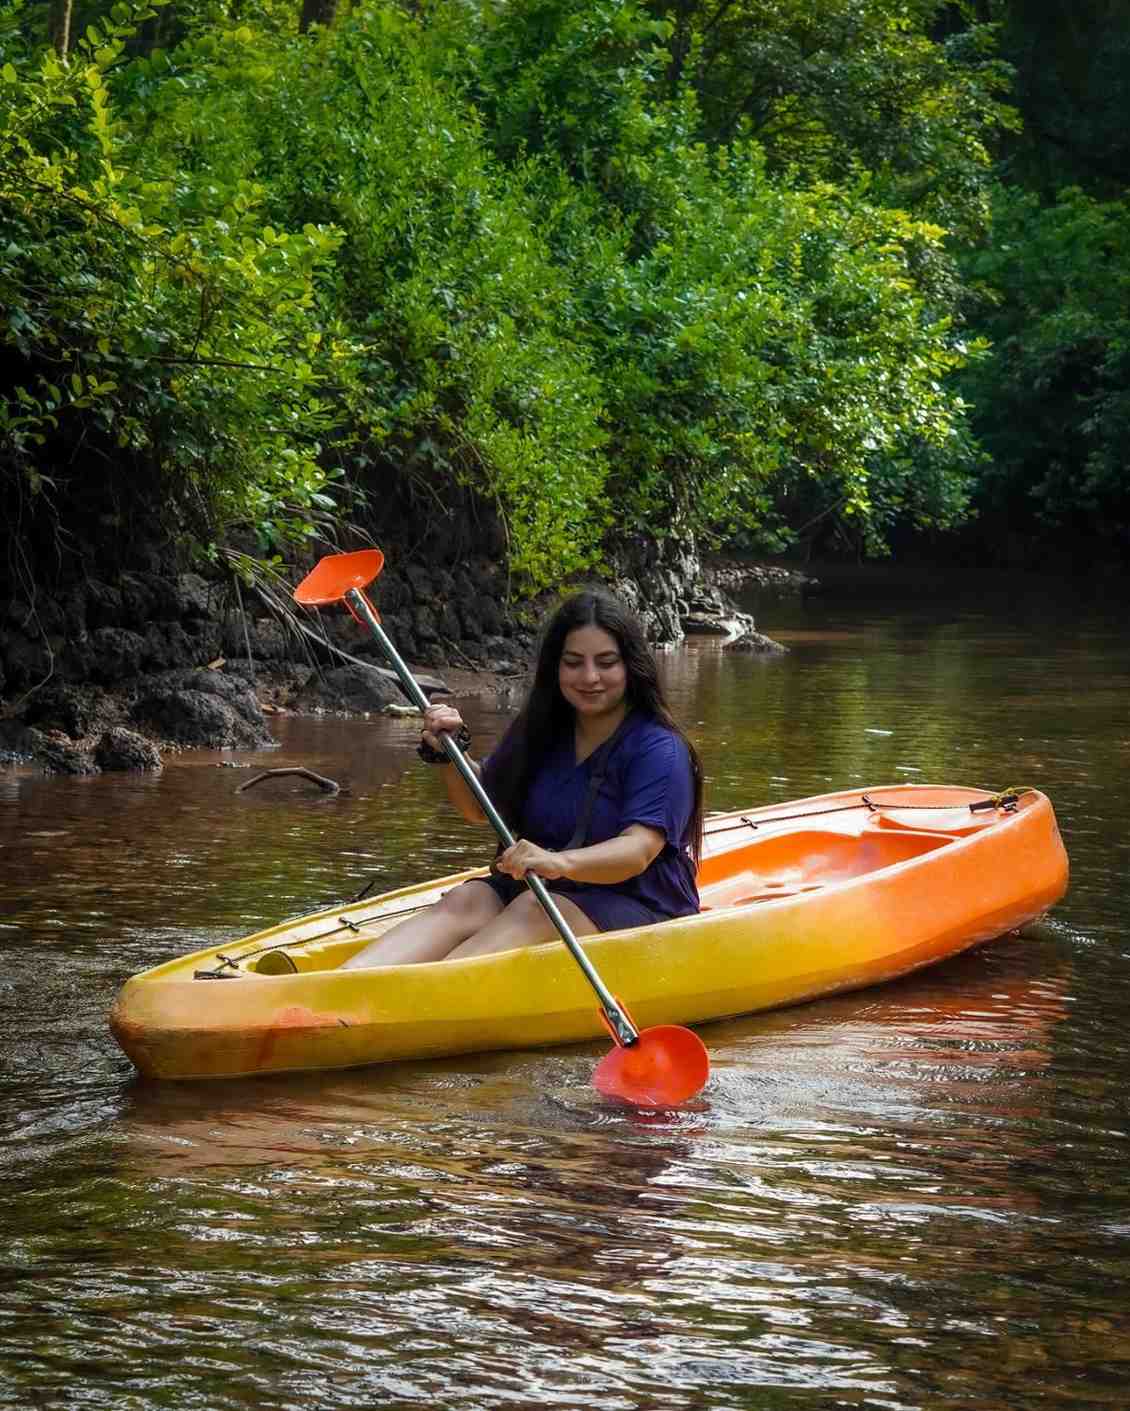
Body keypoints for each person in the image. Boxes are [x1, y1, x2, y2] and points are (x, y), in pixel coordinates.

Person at [341, 588, 704, 968]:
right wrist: (449, 754)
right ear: (556, 667)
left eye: (607, 662)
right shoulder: (541, 729)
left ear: (631, 667)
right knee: (467, 900)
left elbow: (637, 851)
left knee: (537, 909)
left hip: (636, 901)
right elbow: (481, 810)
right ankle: (343, 988)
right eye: (574, 662)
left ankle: (415, 1000)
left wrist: (557, 862)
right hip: (544, 885)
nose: (590, 677)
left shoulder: (660, 749)